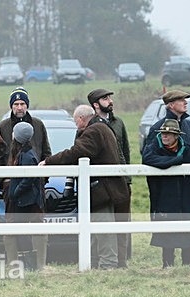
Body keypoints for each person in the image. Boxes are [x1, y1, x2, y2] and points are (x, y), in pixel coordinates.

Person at [40, 105, 128, 270]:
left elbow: (77, 151)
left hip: (102, 189)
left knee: (102, 228)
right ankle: (95, 263)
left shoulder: (93, 131)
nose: (76, 126)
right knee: (95, 228)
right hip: (107, 187)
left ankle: (108, 264)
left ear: (81, 119)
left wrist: (49, 161)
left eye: (76, 122)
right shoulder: (103, 128)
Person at [145, 90, 190, 266]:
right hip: (167, 188)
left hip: (188, 187)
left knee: (189, 224)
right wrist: (174, 163)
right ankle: (168, 264)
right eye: (181, 100)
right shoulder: (157, 128)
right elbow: (149, 158)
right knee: (168, 226)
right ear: (171, 105)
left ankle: (188, 263)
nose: (185, 103)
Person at [0, 87, 51, 267]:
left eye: (22, 104)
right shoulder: (3, 127)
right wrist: (2, 180)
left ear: (27, 105)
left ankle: (40, 265)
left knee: (37, 223)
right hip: (11, 184)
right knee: (11, 225)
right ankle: (13, 264)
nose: (19, 107)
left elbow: (46, 153)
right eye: (16, 104)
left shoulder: (38, 125)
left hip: (35, 185)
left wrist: (43, 178)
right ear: (11, 106)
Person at [87, 88, 131, 268]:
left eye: (110, 98)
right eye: (105, 99)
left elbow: (125, 151)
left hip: (121, 183)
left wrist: (127, 178)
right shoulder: (91, 125)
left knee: (122, 224)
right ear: (96, 104)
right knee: (101, 227)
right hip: (101, 185)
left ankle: (122, 262)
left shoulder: (118, 123)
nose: (110, 101)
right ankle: (96, 262)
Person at [0, 122, 43, 271]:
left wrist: (15, 192)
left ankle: (30, 265)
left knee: (23, 234)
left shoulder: (27, 155)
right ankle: (26, 265)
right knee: (21, 233)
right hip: (21, 200)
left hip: (23, 201)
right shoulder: (24, 153)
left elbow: (28, 179)